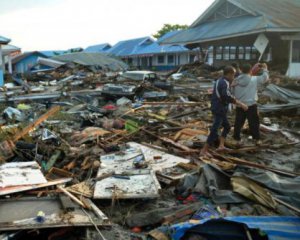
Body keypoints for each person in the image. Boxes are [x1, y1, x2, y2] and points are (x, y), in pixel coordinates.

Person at [201, 66, 248, 156]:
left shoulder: (220, 80)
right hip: (219, 108)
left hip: (217, 107)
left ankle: (221, 146)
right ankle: (204, 150)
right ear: (229, 74)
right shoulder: (224, 83)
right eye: (233, 75)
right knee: (215, 129)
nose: (234, 77)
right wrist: (241, 104)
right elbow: (226, 96)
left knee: (227, 126)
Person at [232, 63, 269, 145]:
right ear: (250, 70)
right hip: (251, 105)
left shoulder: (235, 80)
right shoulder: (254, 79)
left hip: (240, 104)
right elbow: (265, 78)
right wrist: (265, 69)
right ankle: (257, 139)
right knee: (254, 123)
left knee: (238, 122)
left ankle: (236, 138)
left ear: (241, 70)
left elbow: (232, 92)